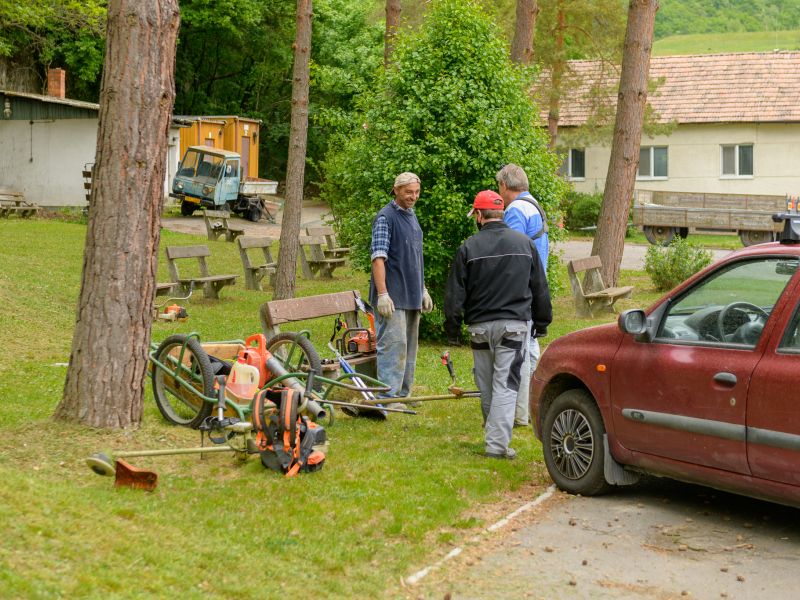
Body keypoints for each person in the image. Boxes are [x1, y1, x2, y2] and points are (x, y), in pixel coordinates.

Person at [444, 190, 552, 459]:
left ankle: (493, 438)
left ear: (479, 216)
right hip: (514, 327)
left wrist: (453, 327)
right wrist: (542, 321)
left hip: (480, 328)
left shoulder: (468, 247)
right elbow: (540, 288)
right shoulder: (524, 244)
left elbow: (455, 292)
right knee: (506, 384)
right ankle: (496, 445)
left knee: (488, 383)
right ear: (500, 213)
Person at [369, 172, 434, 409]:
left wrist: (423, 289)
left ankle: (403, 395)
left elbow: (414, 257)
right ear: (395, 190)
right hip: (393, 296)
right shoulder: (385, 218)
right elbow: (378, 258)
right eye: (408, 192)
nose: (413, 197)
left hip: (412, 295)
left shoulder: (411, 216)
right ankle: (388, 398)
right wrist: (382, 293)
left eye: (416, 192)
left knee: (408, 347)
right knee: (393, 347)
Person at [496, 164, 549, 428]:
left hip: (522, 288)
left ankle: (522, 409)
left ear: (505, 186)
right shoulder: (534, 204)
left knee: (522, 352)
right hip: (536, 284)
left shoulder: (516, 209)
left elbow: (512, 251)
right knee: (530, 349)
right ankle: (532, 405)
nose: (499, 193)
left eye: (499, 187)